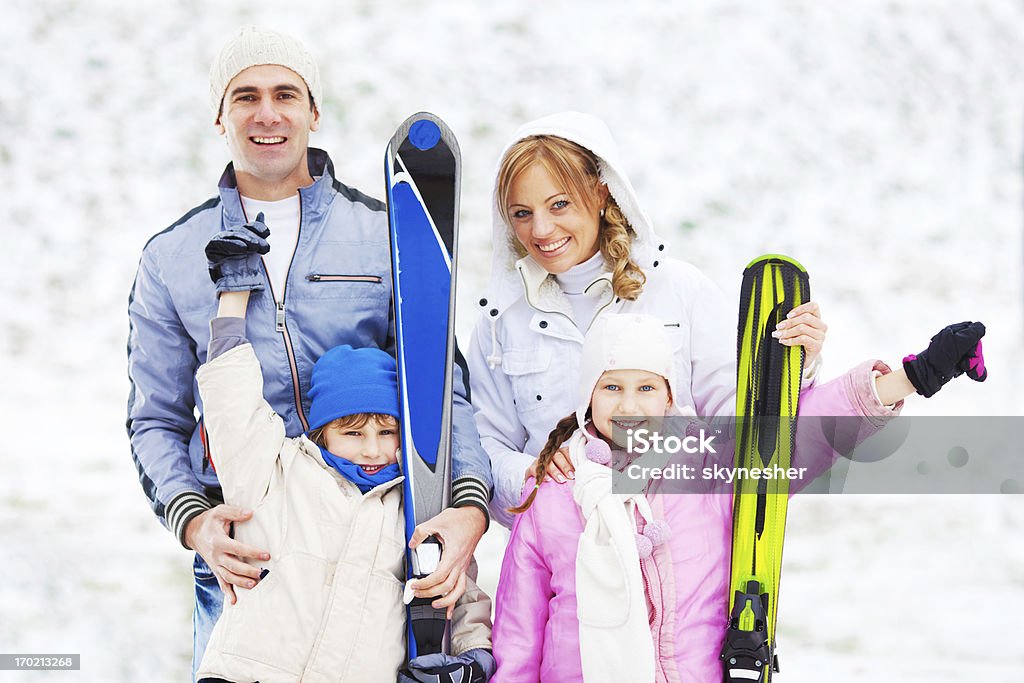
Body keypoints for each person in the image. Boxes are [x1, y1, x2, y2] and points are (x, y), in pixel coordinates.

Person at [126, 26, 491, 678]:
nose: (267, 113)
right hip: (244, 558)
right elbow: (155, 417)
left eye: (285, 93)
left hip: (372, 545)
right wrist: (195, 522)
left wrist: (467, 502)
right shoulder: (171, 257)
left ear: (313, 111)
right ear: (220, 116)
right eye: (245, 97)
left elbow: (442, 387)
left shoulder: (381, 233)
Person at [490, 313, 986, 682]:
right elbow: (518, 638)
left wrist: (912, 377)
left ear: (669, 397)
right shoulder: (554, 493)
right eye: (611, 387)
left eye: (646, 387)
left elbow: (802, 437)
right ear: (587, 399)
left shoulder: (709, 465)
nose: (629, 405)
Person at [469, 111, 828, 528]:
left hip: (684, 545)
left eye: (559, 204)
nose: (542, 229)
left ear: (602, 192)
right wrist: (530, 476)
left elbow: (743, 422)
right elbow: (487, 446)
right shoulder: (500, 323)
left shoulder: (680, 289)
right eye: (521, 213)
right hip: (563, 553)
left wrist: (795, 365)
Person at [193, 226, 494, 683]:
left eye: (387, 432)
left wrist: (474, 658)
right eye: (352, 432)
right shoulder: (276, 471)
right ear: (322, 433)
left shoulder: (417, 505)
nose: (373, 449)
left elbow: (462, 593)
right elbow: (230, 400)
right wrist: (233, 296)